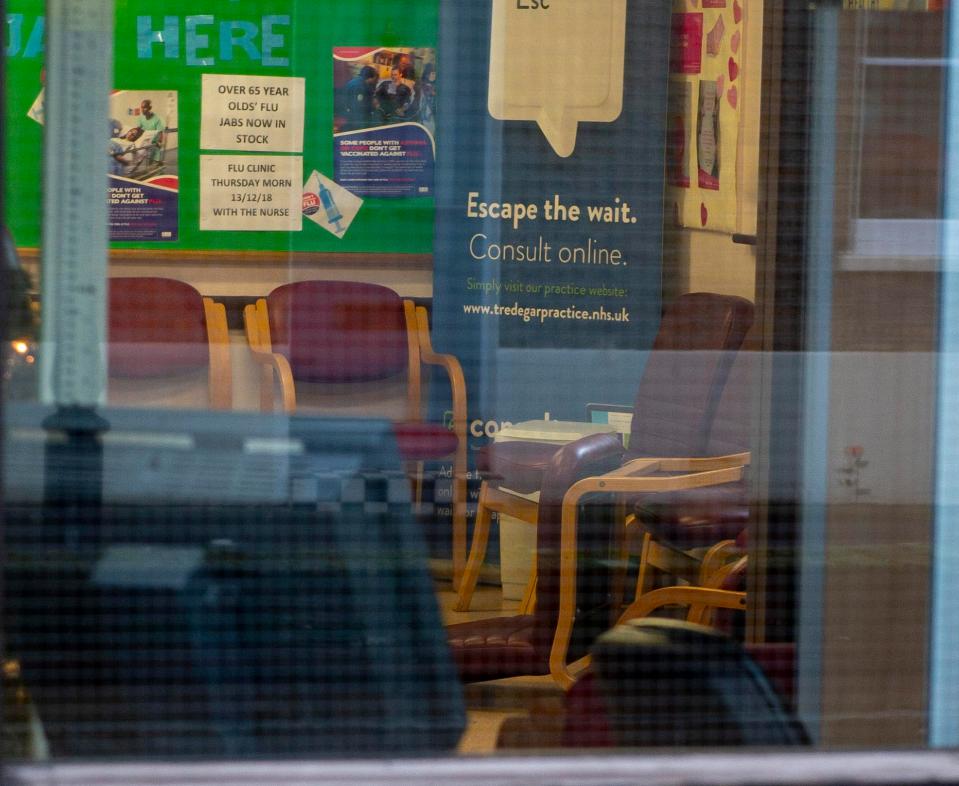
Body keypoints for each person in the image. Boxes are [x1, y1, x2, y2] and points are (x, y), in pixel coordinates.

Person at [340, 65, 378, 130]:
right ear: (370, 77)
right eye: (374, 78)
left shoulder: (352, 82)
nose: (375, 80)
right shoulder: (362, 87)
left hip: (348, 117)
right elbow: (359, 107)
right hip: (357, 121)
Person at [136, 99, 165, 166]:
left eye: (145, 107)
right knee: (139, 159)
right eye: (142, 107)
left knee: (152, 162)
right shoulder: (141, 118)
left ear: (150, 108)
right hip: (145, 141)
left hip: (154, 143)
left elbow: (160, 132)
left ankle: (158, 164)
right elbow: (138, 129)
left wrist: (160, 142)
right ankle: (132, 172)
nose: (143, 109)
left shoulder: (157, 119)